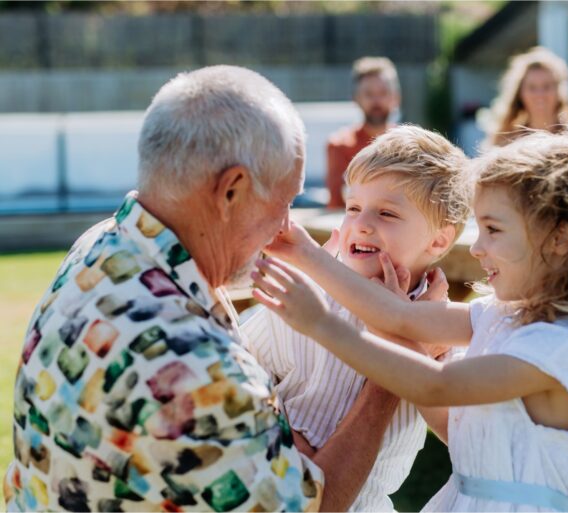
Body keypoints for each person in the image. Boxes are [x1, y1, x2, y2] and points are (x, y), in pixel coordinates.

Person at [5, 65, 404, 512]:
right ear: (231, 190)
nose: (287, 226)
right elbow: (314, 506)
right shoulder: (196, 369)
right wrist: (392, 369)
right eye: (285, 202)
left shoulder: (98, 246)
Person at [251, 127, 568, 511]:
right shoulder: (502, 316)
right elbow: (399, 317)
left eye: (493, 229)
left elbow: (435, 386)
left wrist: (321, 323)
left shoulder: (561, 345)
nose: (478, 248)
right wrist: (305, 254)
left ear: (559, 240)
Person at [240, 125, 471, 511]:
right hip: (277, 488)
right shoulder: (310, 296)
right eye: (353, 208)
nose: (361, 224)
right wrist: (279, 428)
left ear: (438, 241)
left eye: (386, 212)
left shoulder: (439, 326)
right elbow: (241, 362)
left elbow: (461, 435)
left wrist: (416, 351)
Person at [326, 57, 401, 208]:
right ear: (356, 99)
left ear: (396, 98)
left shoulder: (409, 146)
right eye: (368, 94)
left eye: (383, 93)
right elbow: (337, 204)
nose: (376, 101)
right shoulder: (339, 145)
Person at [480, 47, 568, 148]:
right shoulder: (505, 143)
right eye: (532, 87)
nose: (540, 94)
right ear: (520, 93)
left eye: (547, 86)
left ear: (559, 91)